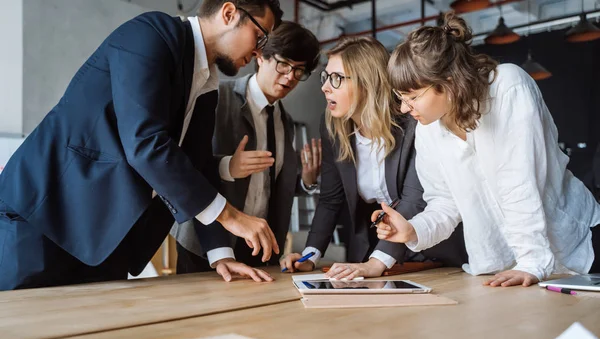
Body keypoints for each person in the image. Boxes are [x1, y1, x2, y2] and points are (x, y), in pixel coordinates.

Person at [0, 0, 285, 290]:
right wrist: (232, 216)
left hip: (106, 237)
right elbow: (145, 144)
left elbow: (195, 167)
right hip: (46, 216)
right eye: (260, 36)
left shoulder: (207, 85)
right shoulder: (151, 35)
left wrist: (220, 254)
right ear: (229, 13)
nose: (260, 51)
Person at [376, 12, 600, 287]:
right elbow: (445, 202)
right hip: (504, 267)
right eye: (400, 98)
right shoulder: (427, 130)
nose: (403, 108)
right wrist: (413, 230)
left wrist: (531, 262)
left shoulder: (507, 86)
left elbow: (518, 182)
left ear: (447, 83)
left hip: (575, 246)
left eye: (412, 97)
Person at [279, 37, 467, 280]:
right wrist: (310, 255)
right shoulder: (333, 129)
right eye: (325, 77)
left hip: (432, 252)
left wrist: (377, 263)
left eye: (337, 79)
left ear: (367, 83)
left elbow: (414, 200)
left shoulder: (414, 122)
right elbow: (330, 199)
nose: (325, 87)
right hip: (375, 252)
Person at [172, 21, 321, 282]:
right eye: (284, 64)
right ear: (260, 56)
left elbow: (270, 185)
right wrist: (227, 166)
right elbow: (187, 164)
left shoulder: (284, 121)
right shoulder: (217, 97)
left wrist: (307, 180)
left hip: (258, 245)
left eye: (299, 71)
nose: (289, 77)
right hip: (208, 242)